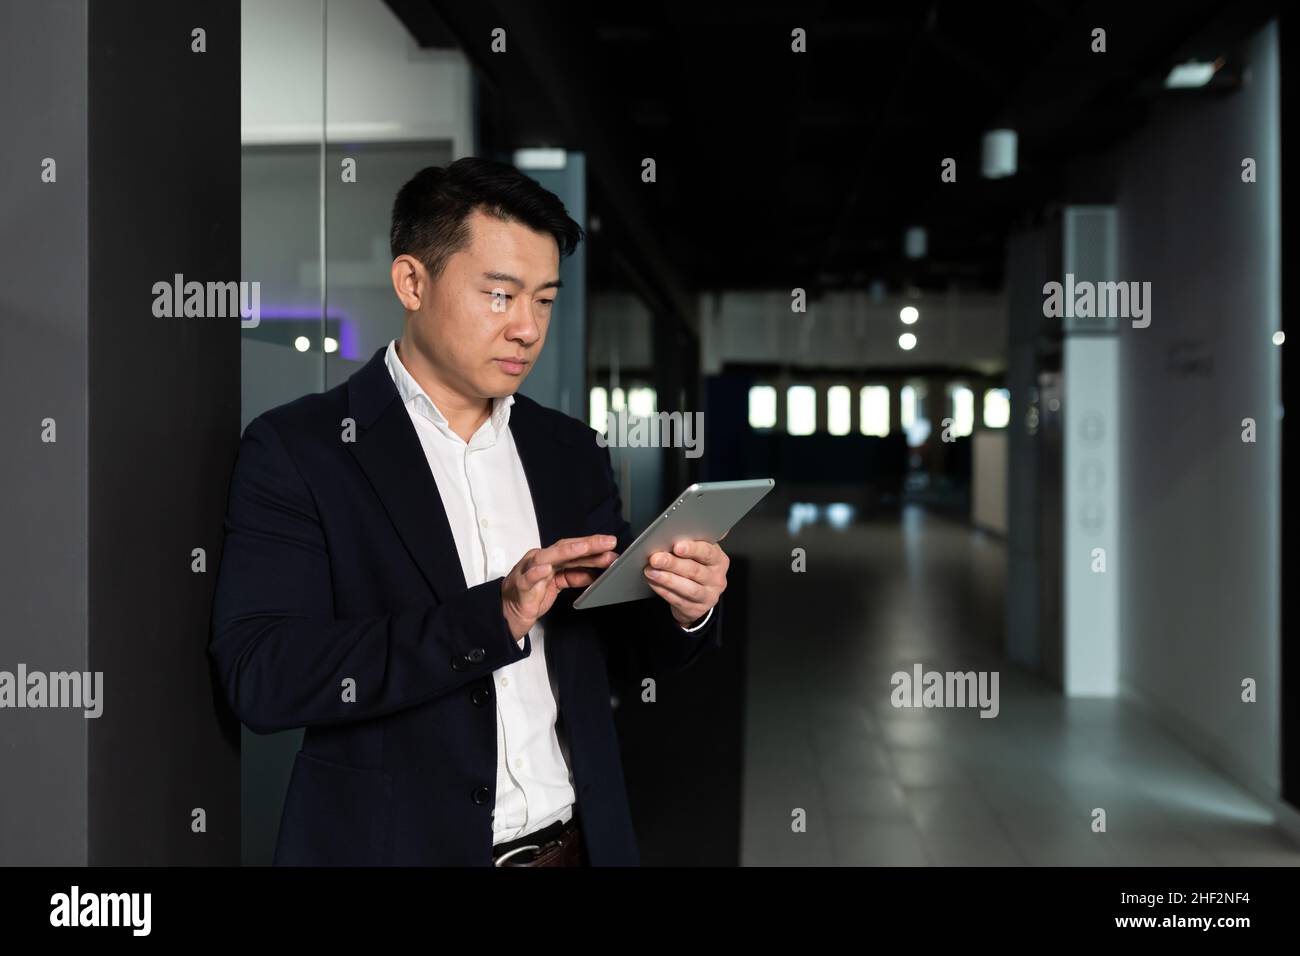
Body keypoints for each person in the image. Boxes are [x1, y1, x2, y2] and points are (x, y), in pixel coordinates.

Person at [208, 157, 728, 866]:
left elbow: (622, 646)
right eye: (500, 294)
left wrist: (683, 605)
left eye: (544, 300)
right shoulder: (301, 450)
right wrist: (492, 619)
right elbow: (262, 675)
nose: (527, 328)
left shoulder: (566, 449)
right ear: (412, 282)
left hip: (580, 849)